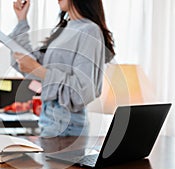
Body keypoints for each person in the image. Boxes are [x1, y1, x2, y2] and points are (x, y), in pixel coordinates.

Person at [9, 0, 115, 137]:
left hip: (67, 123)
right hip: (50, 119)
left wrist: (39, 70)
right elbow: (29, 61)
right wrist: (21, 20)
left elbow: (82, 91)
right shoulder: (66, 29)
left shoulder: (90, 30)